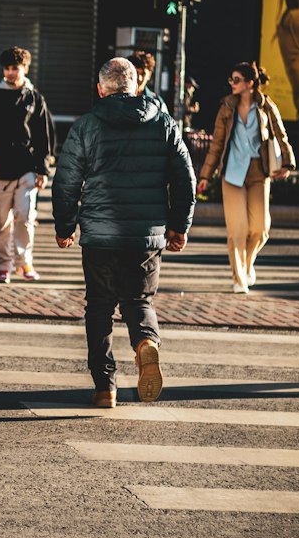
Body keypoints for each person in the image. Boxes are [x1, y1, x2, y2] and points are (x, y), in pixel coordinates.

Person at [53, 55, 195, 408]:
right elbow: (184, 178)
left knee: (99, 307)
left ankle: (105, 387)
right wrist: (179, 226)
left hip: (100, 234)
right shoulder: (162, 122)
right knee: (139, 300)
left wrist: (65, 225)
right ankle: (146, 344)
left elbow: (66, 181)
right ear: (135, 86)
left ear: (101, 88)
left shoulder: (86, 125)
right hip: (146, 234)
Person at [197, 60, 295, 294]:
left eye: (237, 80)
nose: (232, 84)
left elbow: (281, 134)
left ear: (250, 83)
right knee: (237, 229)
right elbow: (217, 144)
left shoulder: (266, 106)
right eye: (232, 79)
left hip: (258, 171)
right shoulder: (226, 108)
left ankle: (248, 263)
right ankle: (239, 277)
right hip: (232, 172)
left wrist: (288, 162)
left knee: (260, 229)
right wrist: (205, 176)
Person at [0, 45, 56, 282]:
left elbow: (43, 136)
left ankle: (24, 263)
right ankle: (3, 266)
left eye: (15, 68)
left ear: (25, 68)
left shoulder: (35, 98)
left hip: (26, 168)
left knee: (25, 215)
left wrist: (43, 170)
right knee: (0, 222)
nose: (10, 73)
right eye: (7, 68)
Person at [130, 50, 170, 114]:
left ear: (149, 75)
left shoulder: (157, 102)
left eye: (143, 74)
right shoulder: (118, 98)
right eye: (136, 73)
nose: (139, 78)